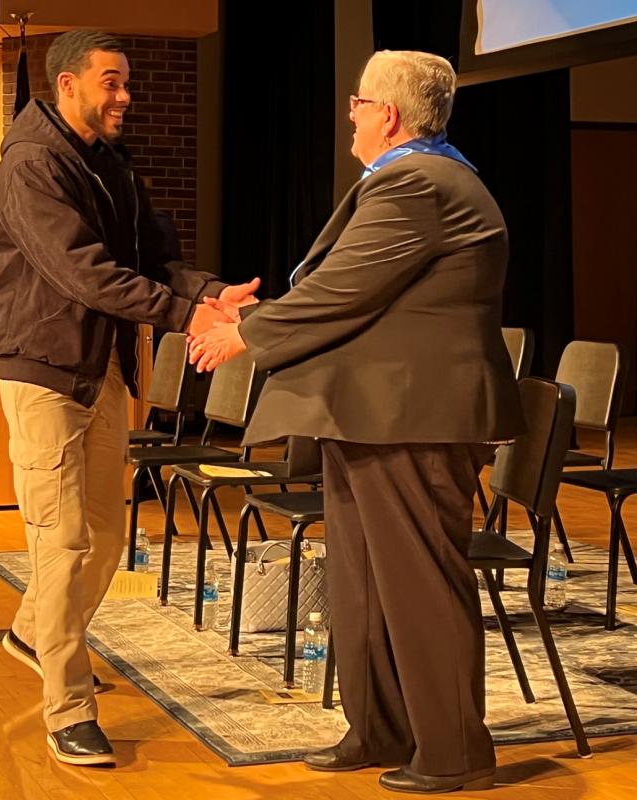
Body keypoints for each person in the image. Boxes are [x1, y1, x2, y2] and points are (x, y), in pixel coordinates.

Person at [190, 50, 525, 794]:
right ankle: (377, 727)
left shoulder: (422, 182)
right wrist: (258, 311)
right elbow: (350, 288)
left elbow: (345, 289)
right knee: (364, 586)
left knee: (417, 585)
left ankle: (451, 749)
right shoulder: (415, 178)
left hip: (412, 416)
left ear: (390, 115)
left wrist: (247, 334)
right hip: (370, 414)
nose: (349, 110)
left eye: (359, 100)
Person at [0, 29, 257, 767]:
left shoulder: (108, 163)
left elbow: (152, 259)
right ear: (67, 85)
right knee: (63, 542)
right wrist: (188, 317)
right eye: (112, 82)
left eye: (127, 82)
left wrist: (212, 293)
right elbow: (87, 275)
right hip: (43, 372)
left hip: (99, 370)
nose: (125, 96)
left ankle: (34, 632)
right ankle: (68, 710)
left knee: (103, 539)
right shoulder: (32, 166)